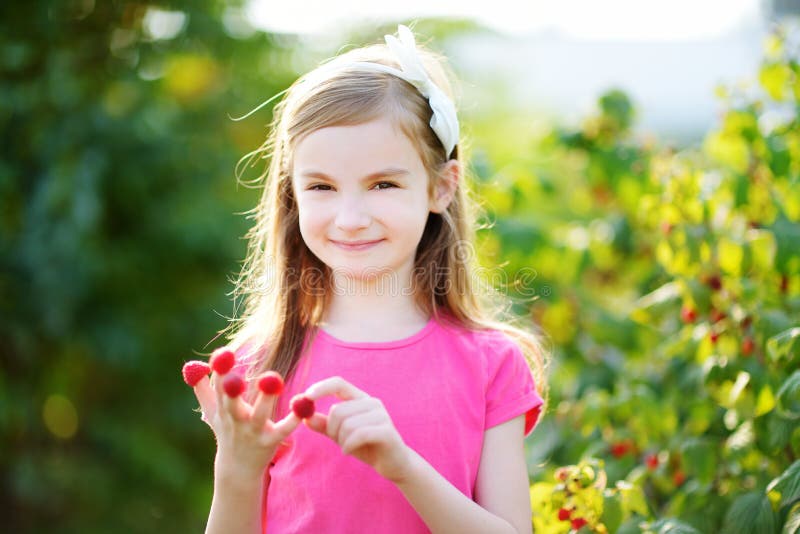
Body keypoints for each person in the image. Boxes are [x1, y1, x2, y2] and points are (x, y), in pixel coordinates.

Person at [189, 23, 549, 534]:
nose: (351, 217)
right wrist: (237, 470)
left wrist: (403, 468)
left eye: (382, 183)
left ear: (440, 188)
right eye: (322, 186)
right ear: (293, 194)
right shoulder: (261, 364)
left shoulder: (492, 365)